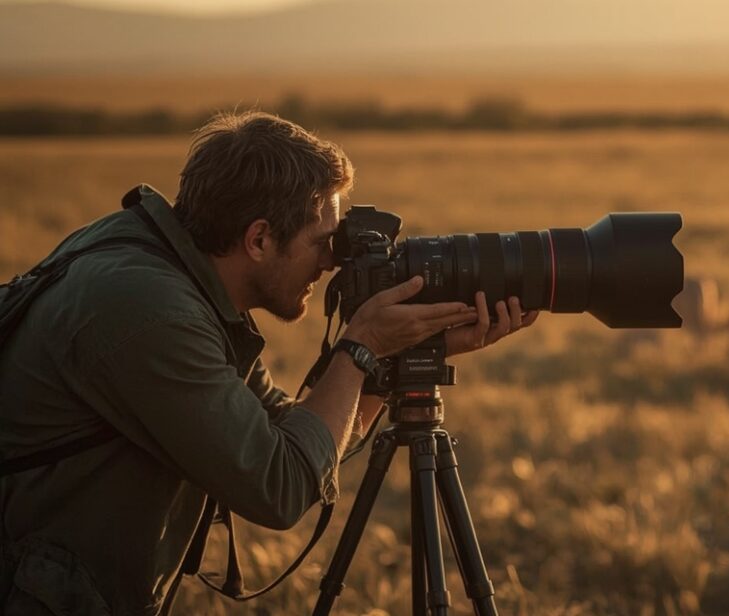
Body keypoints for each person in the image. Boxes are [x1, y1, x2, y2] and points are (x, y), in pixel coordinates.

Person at [0, 111, 538, 615]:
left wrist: (406, 353)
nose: (332, 261)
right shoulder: (151, 314)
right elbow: (280, 488)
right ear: (258, 239)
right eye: (321, 241)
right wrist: (360, 346)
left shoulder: (172, 271)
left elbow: (300, 438)